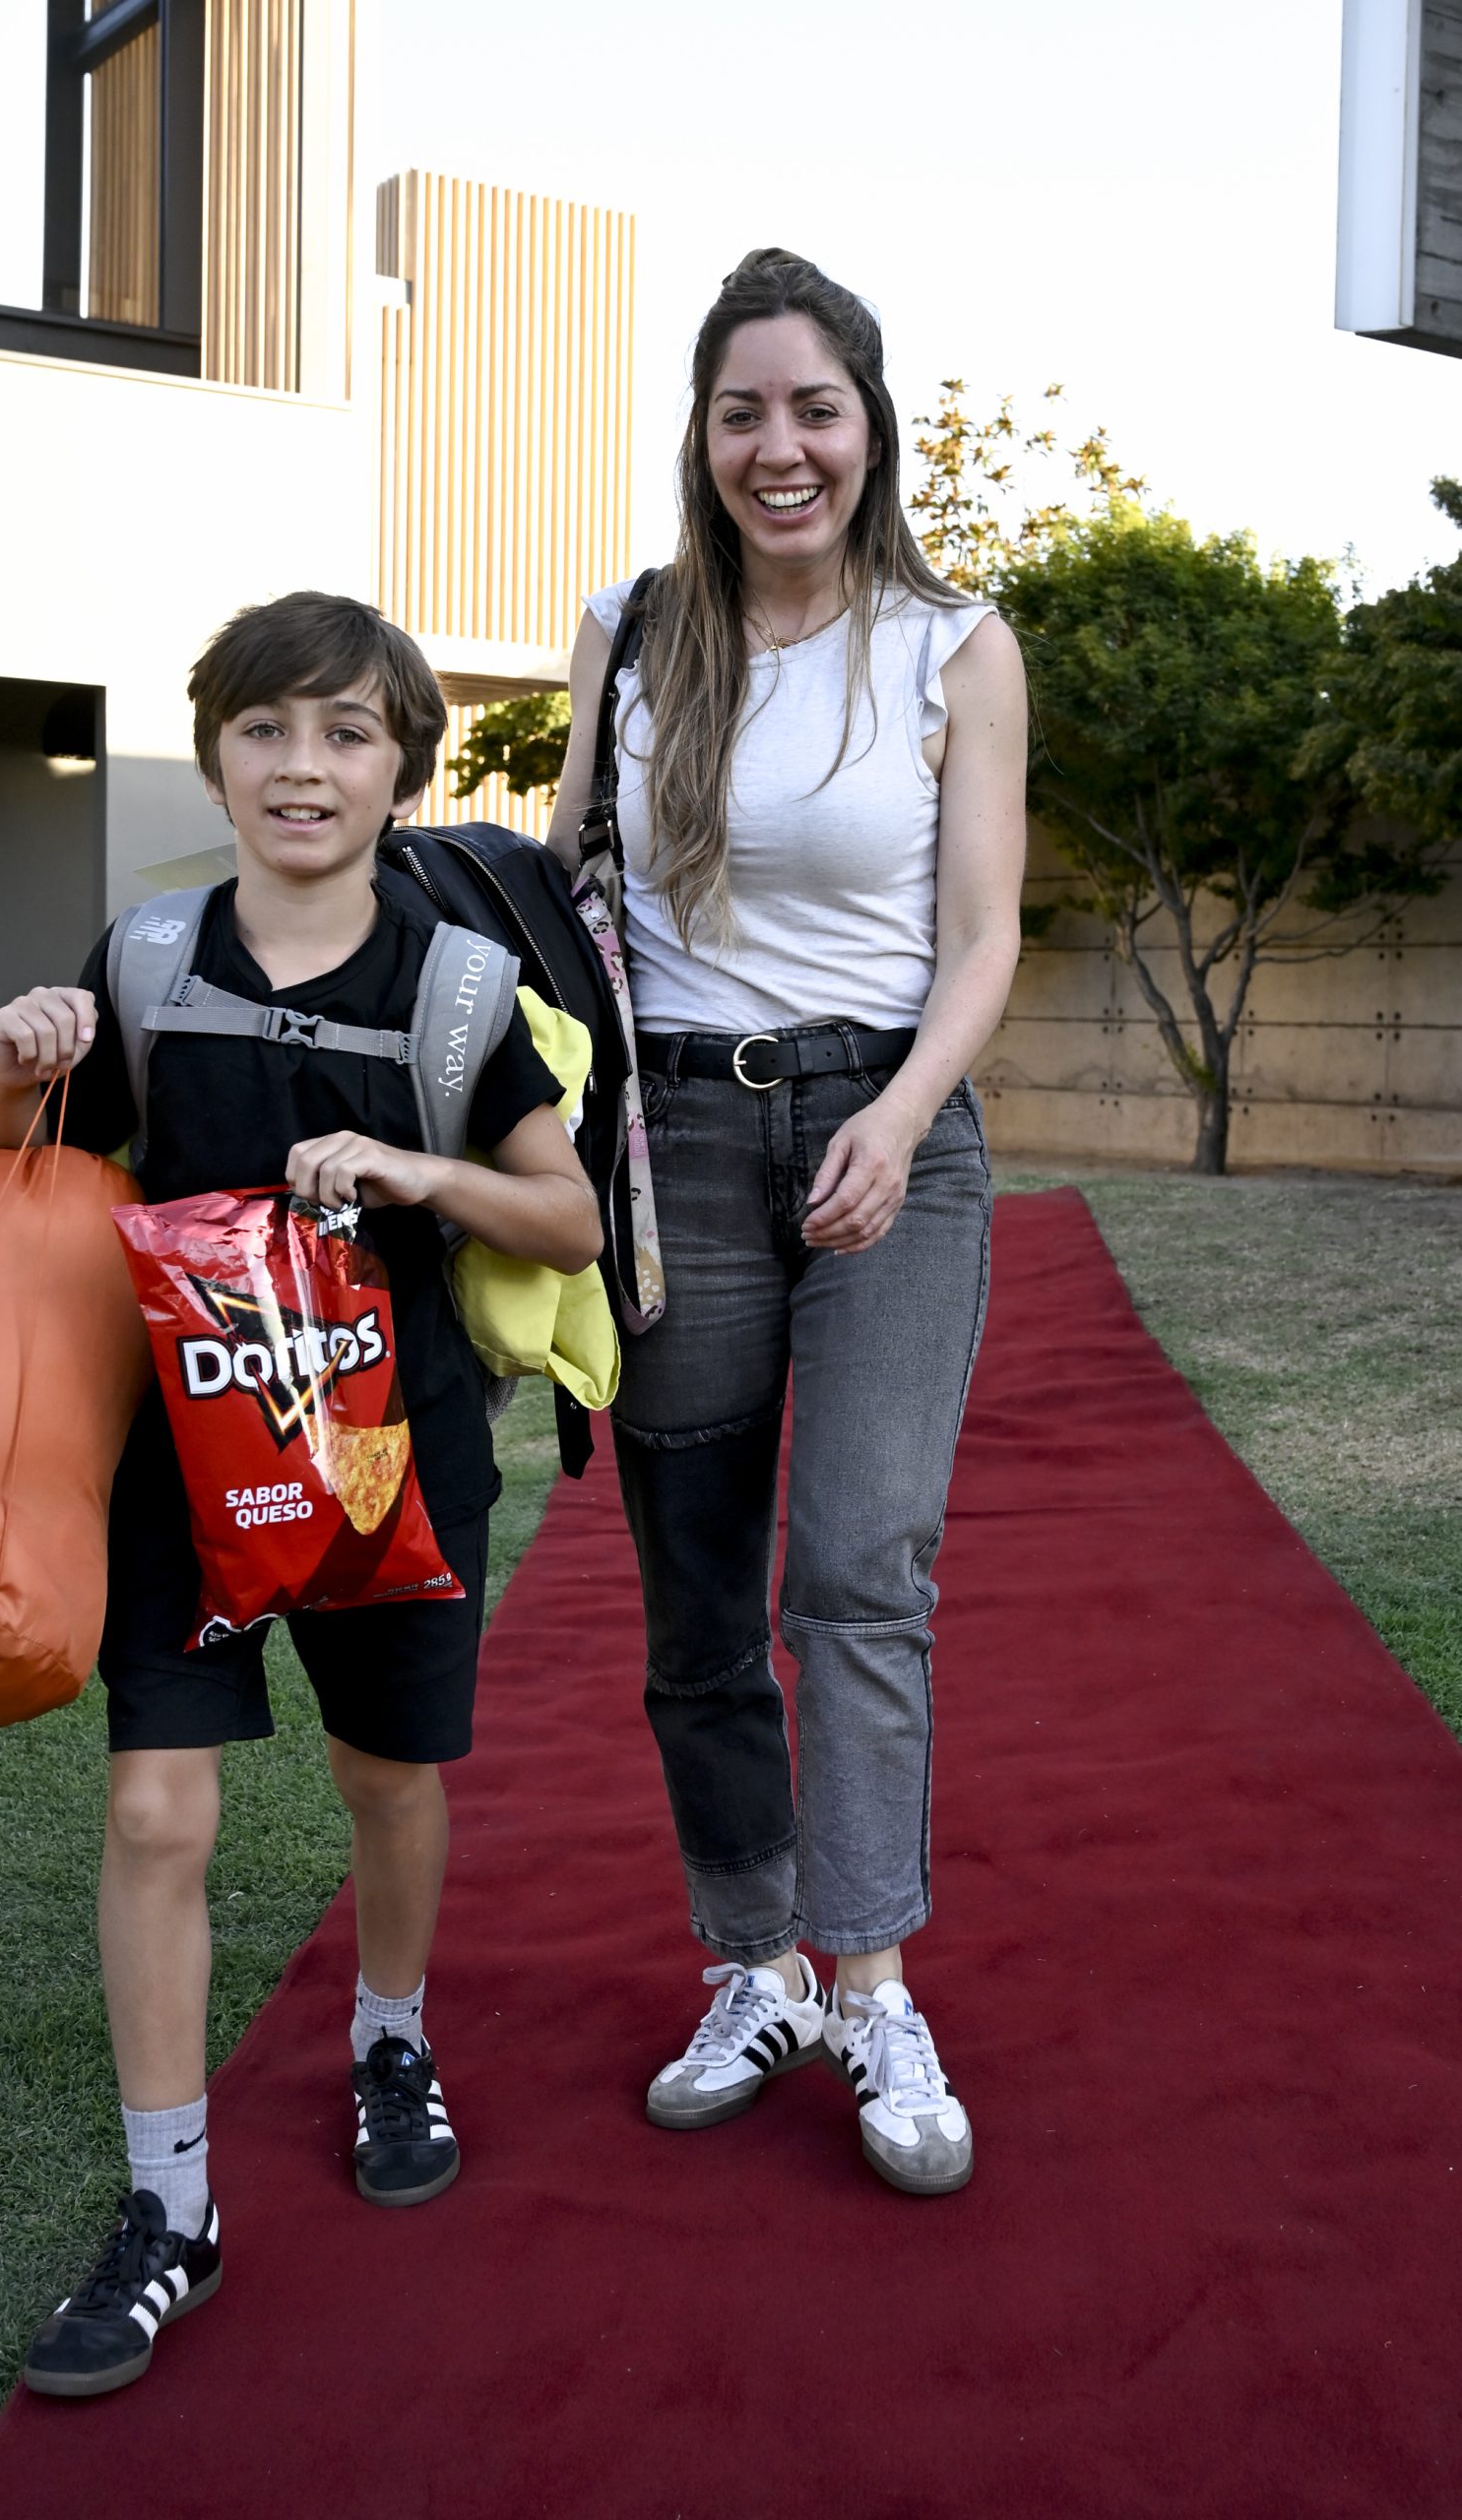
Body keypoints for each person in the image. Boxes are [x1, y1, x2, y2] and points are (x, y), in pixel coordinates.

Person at [0, 592, 602, 2396]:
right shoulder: (147, 955)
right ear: (215, 759)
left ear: (402, 766)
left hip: (392, 1461)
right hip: (181, 1466)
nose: (302, 766)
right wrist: (13, 1070)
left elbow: (567, 1219)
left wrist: (419, 1171)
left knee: (385, 1781)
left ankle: (390, 2034)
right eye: (265, 729)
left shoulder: (459, 985)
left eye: (344, 732)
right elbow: (35, 1165)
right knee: (155, 1813)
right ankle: (170, 2203)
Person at [547, 249, 1026, 2196]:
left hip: (886, 1133)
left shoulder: (951, 645)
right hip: (671, 1146)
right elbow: (568, 900)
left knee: (856, 1569)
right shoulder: (628, 632)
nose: (780, 447)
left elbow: (982, 936)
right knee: (696, 1593)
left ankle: (873, 1980)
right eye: (741, 410)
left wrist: (899, 1119)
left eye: (813, 407)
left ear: (868, 423)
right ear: (700, 432)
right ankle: (752, 1963)